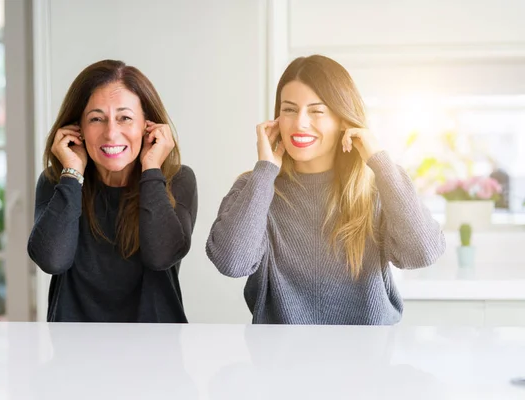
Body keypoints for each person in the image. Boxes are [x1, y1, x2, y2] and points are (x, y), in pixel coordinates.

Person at [205, 55, 445, 325]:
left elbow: (422, 253)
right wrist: (264, 171)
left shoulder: (377, 187)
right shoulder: (255, 188)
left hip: (369, 360)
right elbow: (231, 263)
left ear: (344, 120)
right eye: (289, 110)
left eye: (316, 111)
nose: (300, 124)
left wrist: (379, 161)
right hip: (278, 361)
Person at [28, 60, 197, 323]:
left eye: (125, 118)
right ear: (78, 129)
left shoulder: (176, 180)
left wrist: (151, 168)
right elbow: (52, 260)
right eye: (97, 119)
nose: (111, 133)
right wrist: (72, 172)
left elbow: (162, 255)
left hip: (158, 351)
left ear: (147, 126)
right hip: (74, 350)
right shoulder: (57, 182)